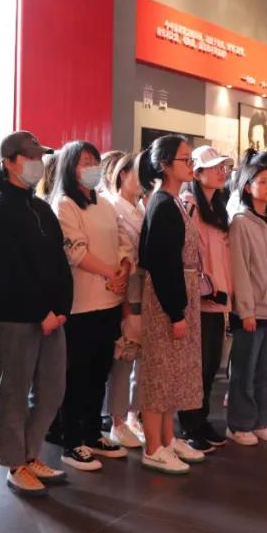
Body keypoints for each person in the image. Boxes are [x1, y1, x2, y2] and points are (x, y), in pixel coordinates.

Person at [0, 131, 72, 496]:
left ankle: (31, 454)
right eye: (31, 157)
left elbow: (59, 262)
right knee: (14, 394)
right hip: (12, 317)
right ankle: (15, 464)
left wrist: (60, 309)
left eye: (40, 157)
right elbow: (5, 273)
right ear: (10, 163)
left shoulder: (41, 207)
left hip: (50, 318)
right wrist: (40, 311)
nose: (38, 163)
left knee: (52, 389)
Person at [51, 141, 133, 471]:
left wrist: (123, 270)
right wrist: (112, 274)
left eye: (95, 162)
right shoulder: (65, 204)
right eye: (85, 162)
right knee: (77, 375)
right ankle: (72, 441)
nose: (92, 168)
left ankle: (92, 432)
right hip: (81, 304)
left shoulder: (104, 203)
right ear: (70, 167)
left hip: (110, 300)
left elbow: (123, 241)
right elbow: (76, 252)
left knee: (100, 371)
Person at [137, 135, 206, 473]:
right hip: (167, 299)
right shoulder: (163, 204)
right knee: (158, 375)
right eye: (184, 159)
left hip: (181, 293)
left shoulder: (173, 201)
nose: (190, 165)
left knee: (171, 374)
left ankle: (166, 439)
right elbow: (161, 263)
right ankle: (152, 447)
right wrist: (176, 312)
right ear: (165, 165)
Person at [226, 163, 267, 446]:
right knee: (244, 372)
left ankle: (264, 420)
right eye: (262, 181)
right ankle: (239, 424)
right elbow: (239, 269)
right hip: (252, 311)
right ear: (247, 186)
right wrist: (246, 310)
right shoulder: (240, 223)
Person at [177, 146, 234, 452]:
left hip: (218, 299)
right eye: (214, 168)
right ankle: (189, 425)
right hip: (196, 300)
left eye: (223, 167)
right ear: (197, 173)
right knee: (194, 367)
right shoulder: (189, 206)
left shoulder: (218, 209)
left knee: (210, 365)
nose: (221, 172)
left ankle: (202, 420)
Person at [100, 151, 147, 448]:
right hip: (124, 290)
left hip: (143, 289)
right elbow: (121, 254)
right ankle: (116, 418)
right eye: (137, 173)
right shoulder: (113, 206)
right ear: (122, 175)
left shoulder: (140, 208)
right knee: (123, 356)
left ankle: (133, 414)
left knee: (141, 357)